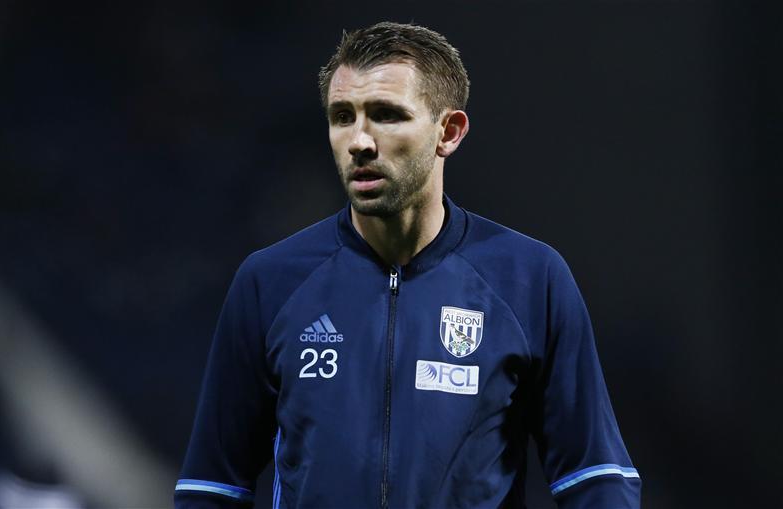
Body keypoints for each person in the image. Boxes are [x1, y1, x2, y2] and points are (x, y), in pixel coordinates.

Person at [175, 21, 641, 509]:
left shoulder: (529, 278)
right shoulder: (269, 281)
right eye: (342, 117)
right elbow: (211, 485)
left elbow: (596, 477)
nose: (359, 141)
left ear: (449, 132)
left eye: (386, 115)